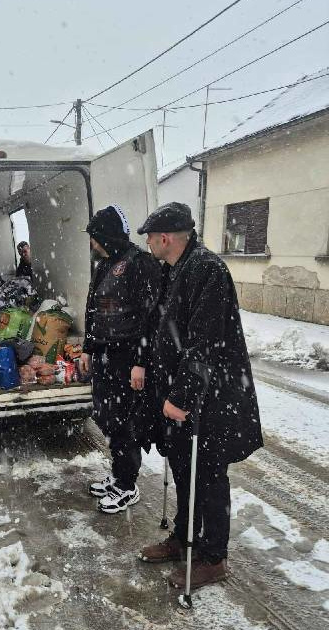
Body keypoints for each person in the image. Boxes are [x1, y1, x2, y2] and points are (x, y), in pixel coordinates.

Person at [134, 202, 263, 591]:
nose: (148, 244)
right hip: (184, 394)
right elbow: (162, 328)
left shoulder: (207, 269)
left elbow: (204, 342)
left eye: (150, 238)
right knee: (184, 470)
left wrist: (182, 397)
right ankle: (184, 537)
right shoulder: (175, 269)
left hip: (211, 398)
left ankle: (213, 557)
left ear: (165, 238)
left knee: (208, 477)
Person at [79, 205, 162, 514]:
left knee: (125, 422)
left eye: (94, 236)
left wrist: (141, 361)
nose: (92, 243)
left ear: (107, 235)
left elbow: (150, 317)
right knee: (107, 417)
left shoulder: (140, 264)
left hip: (127, 358)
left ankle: (127, 485)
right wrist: (88, 348)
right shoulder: (105, 264)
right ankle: (118, 474)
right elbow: (93, 310)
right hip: (104, 355)